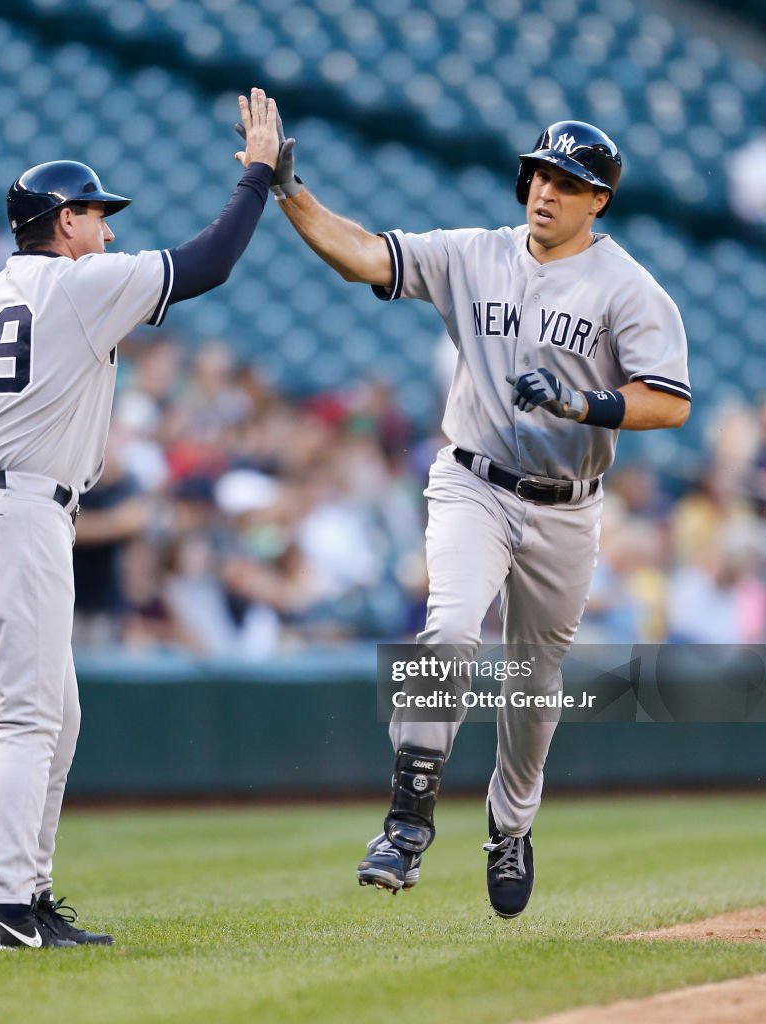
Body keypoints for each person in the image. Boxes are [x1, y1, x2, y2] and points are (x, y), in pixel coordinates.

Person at [266, 117, 690, 916]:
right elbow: (365, 255)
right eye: (537, 174)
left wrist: (583, 402)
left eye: (565, 183)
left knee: (533, 690)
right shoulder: (474, 254)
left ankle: (510, 823)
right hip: (473, 483)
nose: (544, 191)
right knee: (451, 627)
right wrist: (289, 190)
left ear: (599, 199)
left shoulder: (630, 288)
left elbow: (668, 401)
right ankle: (407, 819)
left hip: (566, 509)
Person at [0, 87, 280, 949]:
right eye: (97, 214)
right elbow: (208, 263)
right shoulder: (77, 288)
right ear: (64, 221)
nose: (109, 229)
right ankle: (3, 909)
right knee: (30, 717)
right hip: (17, 513)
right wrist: (259, 176)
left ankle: (31, 899)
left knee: (57, 714)